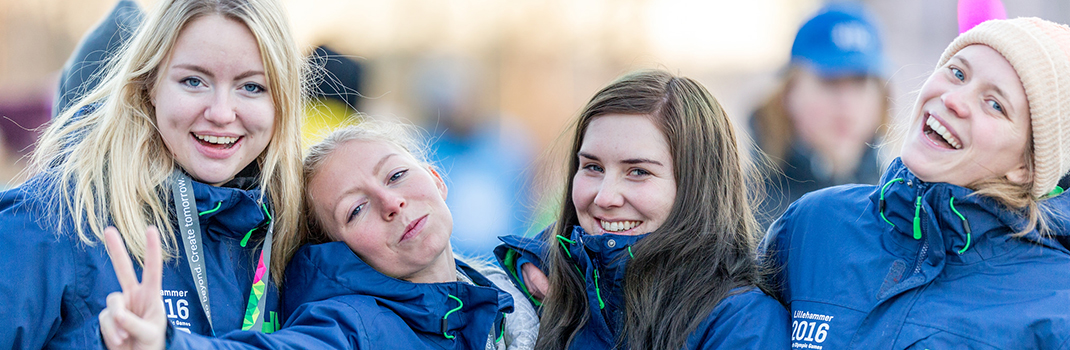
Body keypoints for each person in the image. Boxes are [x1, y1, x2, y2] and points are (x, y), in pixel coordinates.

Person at [0, 0, 305, 347]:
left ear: (282, 101)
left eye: (252, 86)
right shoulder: (52, 221)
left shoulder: (300, 232)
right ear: (150, 85)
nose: (221, 113)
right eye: (194, 81)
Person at [761, 17, 1070, 349]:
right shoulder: (813, 224)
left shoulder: (1055, 308)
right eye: (958, 73)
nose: (954, 99)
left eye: (995, 104)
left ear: (1026, 165)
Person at [99, 121, 540, 349]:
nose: (392, 203)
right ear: (339, 249)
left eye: (398, 174)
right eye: (356, 209)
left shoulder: (515, 291)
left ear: (436, 179)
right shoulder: (353, 327)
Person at [496, 70, 789, 349]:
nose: (605, 197)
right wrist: (555, 266)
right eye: (593, 167)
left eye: (638, 172)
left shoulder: (743, 322)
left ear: (699, 186)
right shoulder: (536, 290)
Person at [750, 3, 890, 228]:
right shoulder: (742, 210)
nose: (846, 103)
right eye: (830, 81)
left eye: (859, 82)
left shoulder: (899, 208)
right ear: (789, 94)